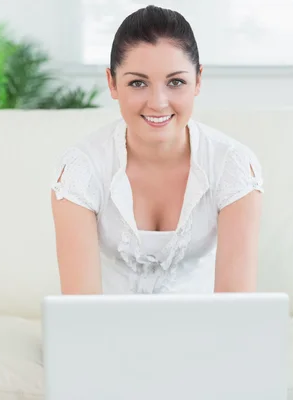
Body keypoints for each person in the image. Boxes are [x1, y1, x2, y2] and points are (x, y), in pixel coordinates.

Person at [51, 5, 264, 295]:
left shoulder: (233, 166)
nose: (158, 102)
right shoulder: (81, 170)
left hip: (204, 334)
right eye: (138, 83)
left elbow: (235, 307)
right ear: (112, 83)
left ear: (198, 80)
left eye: (176, 82)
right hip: (107, 334)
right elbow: (80, 308)